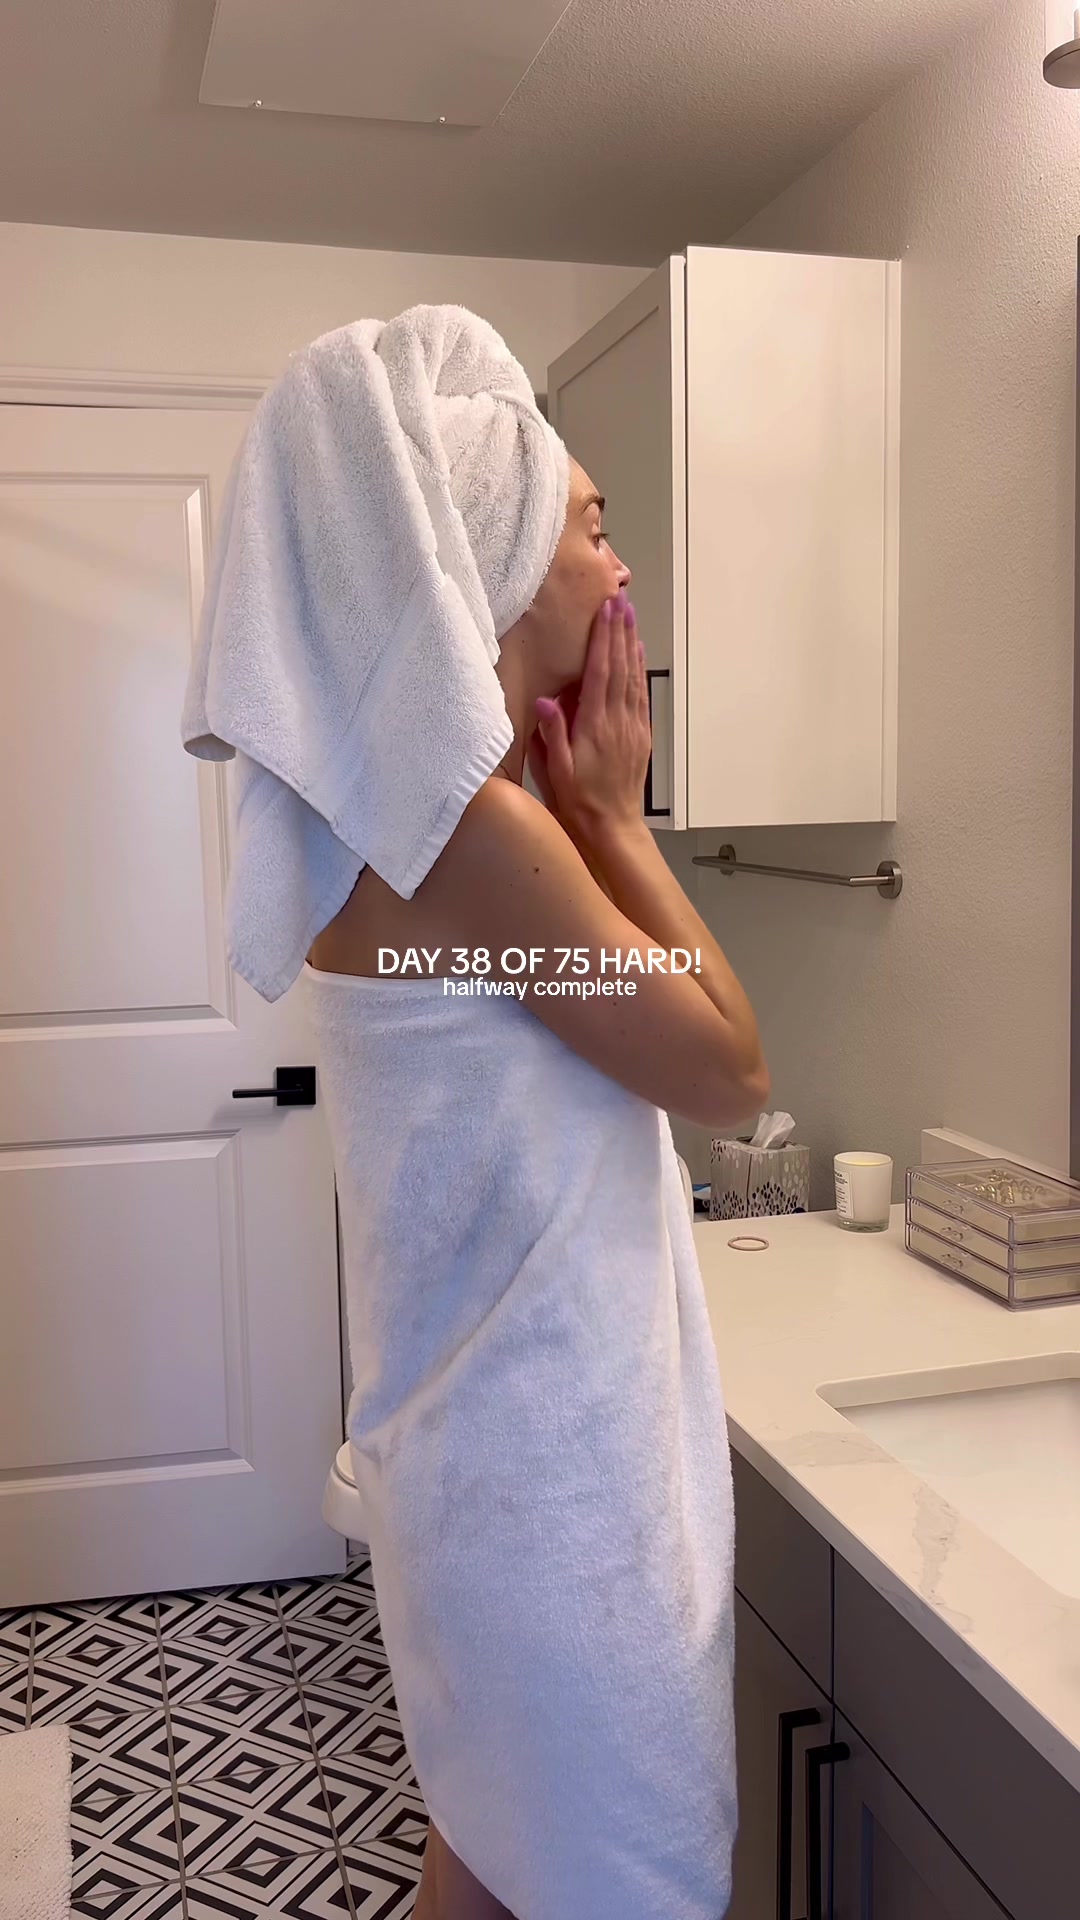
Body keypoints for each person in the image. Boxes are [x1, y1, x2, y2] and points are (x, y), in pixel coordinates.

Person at [307, 455, 769, 1918]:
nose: (621, 568)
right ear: (498, 559)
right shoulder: (477, 838)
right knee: (600, 1875)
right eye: (591, 526)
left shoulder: (424, 820)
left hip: (483, 1474)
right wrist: (619, 819)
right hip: (550, 1507)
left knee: (491, 1859)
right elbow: (729, 1072)